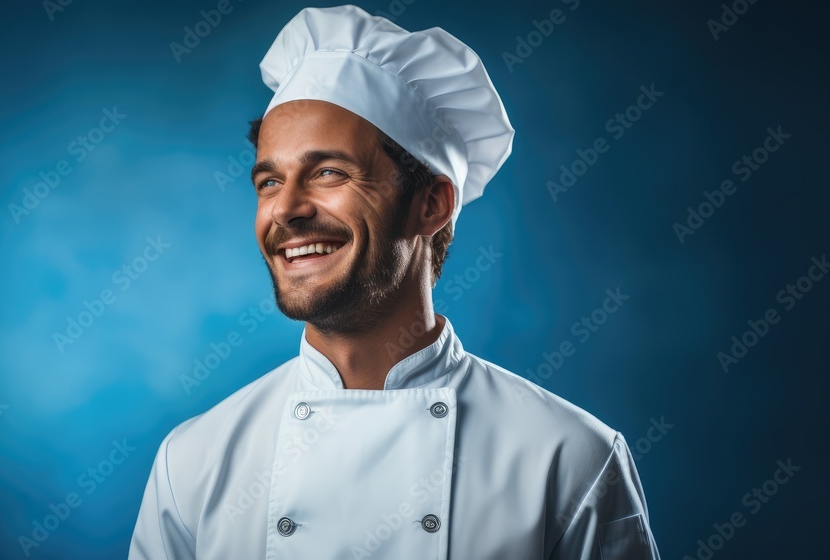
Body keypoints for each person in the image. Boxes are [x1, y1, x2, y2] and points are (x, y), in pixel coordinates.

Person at [130, 5, 661, 559]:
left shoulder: (570, 460)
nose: (285, 209)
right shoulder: (191, 462)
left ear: (431, 205)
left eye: (329, 172)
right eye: (268, 181)